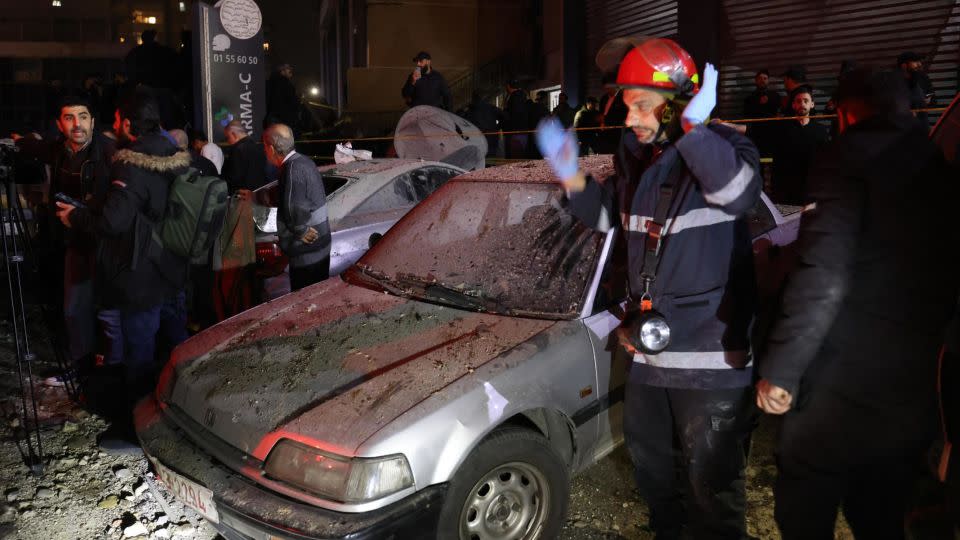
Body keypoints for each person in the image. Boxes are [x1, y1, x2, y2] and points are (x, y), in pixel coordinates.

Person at [537, 37, 760, 539]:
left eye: (641, 103)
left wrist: (694, 130)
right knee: (654, 472)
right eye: (626, 104)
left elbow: (738, 192)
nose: (630, 116)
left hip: (709, 362)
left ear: (679, 101)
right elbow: (605, 216)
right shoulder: (640, 164)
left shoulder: (723, 147)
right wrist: (571, 175)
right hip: (650, 353)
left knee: (713, 489)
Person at [755, 66, 960, 539]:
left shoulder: (844, 158)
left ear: (846, 113)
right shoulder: (935, 160)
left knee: (805, 498)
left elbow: (824, 274)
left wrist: (783, 370)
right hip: (913, 379)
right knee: (882, 510)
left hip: (843, 374)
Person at [56, 89, 191, 450]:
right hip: (173, 268)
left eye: (117, 120)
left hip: (141, 275)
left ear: (128, 124)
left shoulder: (130, 162)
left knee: (140, 354)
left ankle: (139, 430)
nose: (115, 126)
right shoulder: (176, 155)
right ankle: (183, 419)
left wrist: (77, 216)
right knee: (174, 348)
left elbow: (115, 222)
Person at [13, 95, 116, 381]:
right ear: (60, 124)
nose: (77, 124)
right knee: (74, 309)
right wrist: (19, 140)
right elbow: (39, 146)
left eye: (83, 117)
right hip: (76, 243)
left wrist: (85, 213)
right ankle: (81, 367)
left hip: (108, 244)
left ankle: (112, 371)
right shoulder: (59, 149)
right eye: (69, 118)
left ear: (93, 121)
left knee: (109, 311)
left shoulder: (110, 153)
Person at [732, 85, 828, 204]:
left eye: (806, 101)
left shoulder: (821, 131)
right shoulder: (782, 127)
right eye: (798, 101)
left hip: (811, 190)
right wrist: (728, 126)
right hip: (785, 190)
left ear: (812, 104)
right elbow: (755, 131)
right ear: (793, 105)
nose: (802, 104)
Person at [261, 124, 330, 290]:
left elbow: (295, 208)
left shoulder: (293, 169)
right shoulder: (304, 161)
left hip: (307, 255)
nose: (264, 151)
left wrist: (301, 230)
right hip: (320, 249)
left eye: (264, 146)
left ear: (271, 148)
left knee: (305, 303)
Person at [222, 120, 267, 194]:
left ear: (234, 135)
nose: (228, 141)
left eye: (227, 137)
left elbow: (234, 177)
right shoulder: (260, 148)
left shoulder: (237, 150)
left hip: (242, 195)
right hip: (259, 194)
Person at [897, 51, 935, 126]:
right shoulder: (893, 83)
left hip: (922, 129)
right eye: (915, 62)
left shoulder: (922, 78)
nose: (919, 64)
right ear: (904, 66)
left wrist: (929, 100)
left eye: (919, 61)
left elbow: (933, 100)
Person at [462, 91, 501, 157]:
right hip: (492, 137)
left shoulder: (470, 110)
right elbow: (505, 117)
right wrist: (497, 127)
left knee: (480, 159)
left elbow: (465, 124)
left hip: (478, 139)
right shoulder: (492, 108)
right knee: (492, 158)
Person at [597, 72, 628, 153]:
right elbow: (601, 113)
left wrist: (606, 119)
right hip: (603, 135)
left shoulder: (623, 98)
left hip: (617, 136)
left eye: (608, 87)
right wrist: (599, 119)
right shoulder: (604, 99)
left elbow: (623, 116)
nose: (607, 90)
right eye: (605, 88)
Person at [266, 63, 300, 129]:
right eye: (288, 69)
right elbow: (291, 101)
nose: (290, 70)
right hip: (283, 118)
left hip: (274, 116)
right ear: (282, 71)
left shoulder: (272, 82)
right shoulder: (286, 84)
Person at [502, 80, 529, 159]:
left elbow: (511, 114)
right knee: (520, 154)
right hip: (523, 129)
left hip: (513, 131)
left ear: (508, 86)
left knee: (513, 156)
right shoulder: (523, 96)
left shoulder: (513, 97)